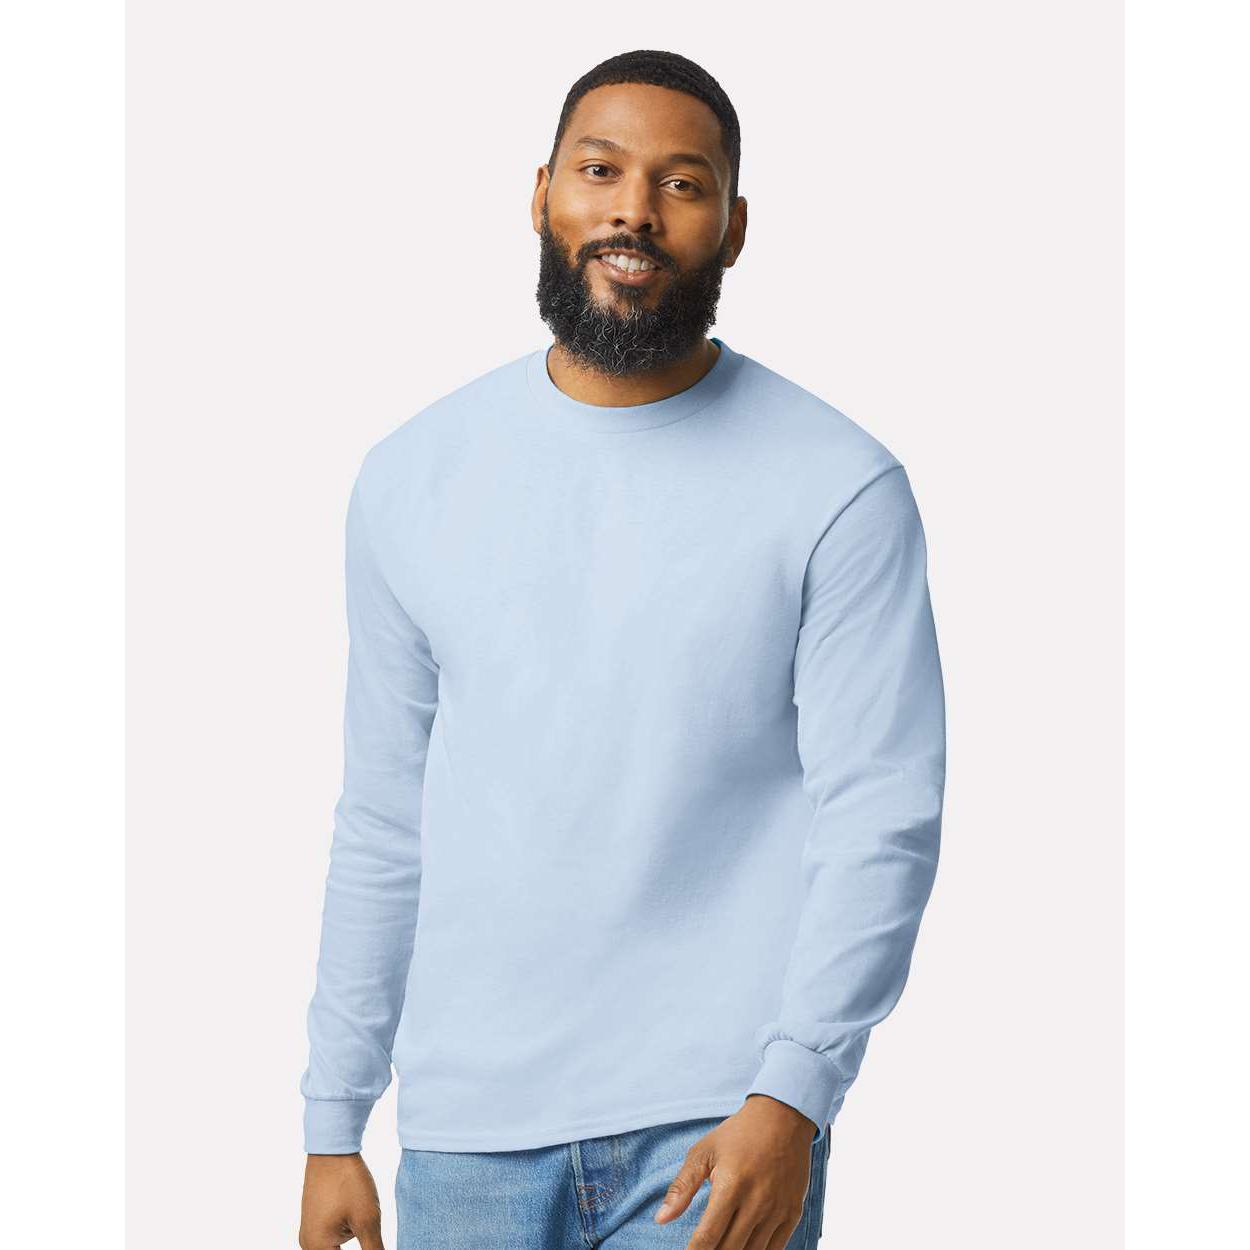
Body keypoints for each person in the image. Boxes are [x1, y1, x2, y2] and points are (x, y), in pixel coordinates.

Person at [298, 48, 946, 1250]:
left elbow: (881, 814)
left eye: (680, 183)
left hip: (715, 1123)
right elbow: (384, 816)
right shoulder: (411, 476)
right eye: (599, 171)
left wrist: (792, 1094)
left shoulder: (834, 484)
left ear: (733, 227)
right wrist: (333, 1117)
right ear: (541, 194)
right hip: (466, 1135)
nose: (632, 210)